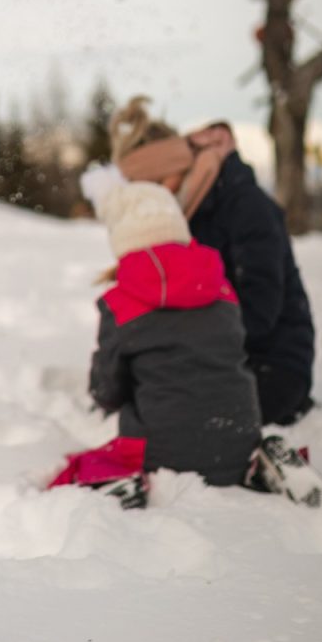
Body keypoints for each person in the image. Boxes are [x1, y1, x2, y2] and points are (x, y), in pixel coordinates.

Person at [94, 96, 317, 426]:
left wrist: (180, 346)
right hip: (214, 357)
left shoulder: (245, 206)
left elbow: (259, 312)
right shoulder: (181, 215)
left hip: (271, 367)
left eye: (154, 186)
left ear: (175, 169)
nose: (152, 199)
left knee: (174, 414)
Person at [49, 181, 261, 500]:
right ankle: (264, 467)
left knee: (83, 469)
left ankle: (117, 483)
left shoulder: (121, 304)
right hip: (240, 439)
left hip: (163, 455)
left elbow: (106, 391)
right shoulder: (224, 290)